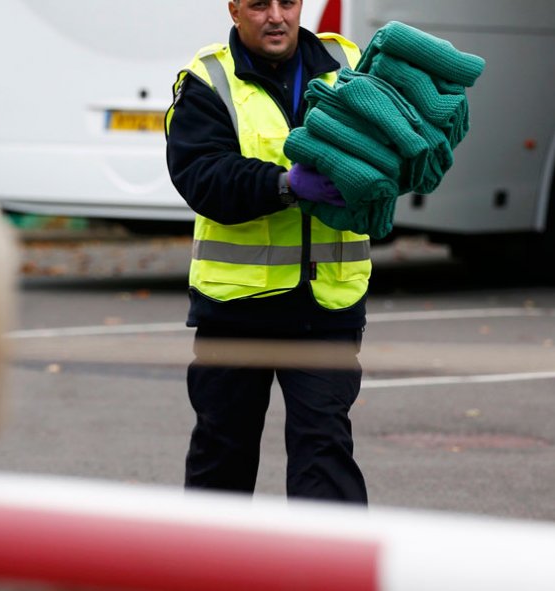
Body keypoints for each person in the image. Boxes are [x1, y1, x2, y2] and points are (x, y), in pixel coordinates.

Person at [164, 0, 371, 503]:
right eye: (259, 4)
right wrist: (285, 184)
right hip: (237, 310)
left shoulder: (348, 67)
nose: (276, 16)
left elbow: (389, 151)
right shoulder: (207, 80)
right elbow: (202, 178)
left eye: (288, 2)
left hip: (325, 305)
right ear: (234, 10)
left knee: (324, 455)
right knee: (222, 461)